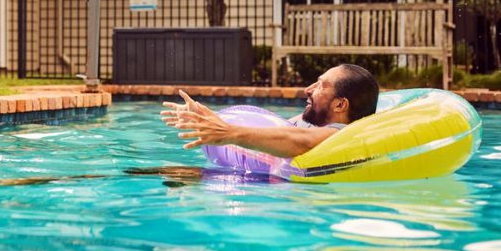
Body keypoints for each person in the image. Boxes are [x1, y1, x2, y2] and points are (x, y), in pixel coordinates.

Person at [161, 64, 380, 158]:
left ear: (340, 105)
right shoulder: (314, 122)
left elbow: (301, 142)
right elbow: (273, 127)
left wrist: (229, 133)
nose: (308, 89)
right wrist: (206, 119)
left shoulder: (339, 134)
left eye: (321, 85)